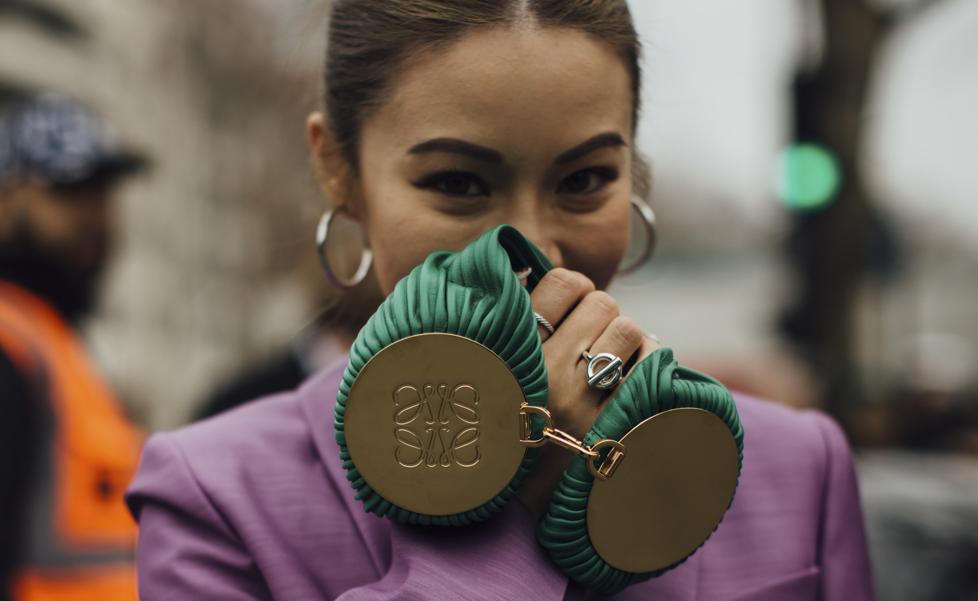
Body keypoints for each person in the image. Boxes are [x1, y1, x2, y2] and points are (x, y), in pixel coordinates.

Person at [126, 1, 875, 599]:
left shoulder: (797, 468)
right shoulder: (215, 499)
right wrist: (498, 514)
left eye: (584, 180)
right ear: (338, 170)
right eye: (456, 183)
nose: (534, 253)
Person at [0, 95, 146, 601]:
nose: (95, 217)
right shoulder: (10, 343)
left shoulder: (53, 340)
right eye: (68, 192)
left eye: (103, 193)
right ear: (5, 200)